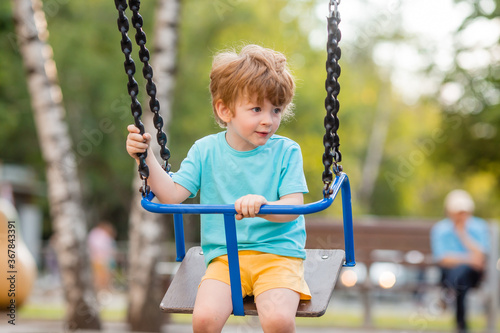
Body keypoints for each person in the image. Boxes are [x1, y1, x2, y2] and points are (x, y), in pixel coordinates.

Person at [126, 44, 310, 333]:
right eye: (257, 108)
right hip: (224, 258)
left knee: (277, 321)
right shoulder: (205, 151)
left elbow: (292, 207)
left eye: (276, 109)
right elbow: (172, 195)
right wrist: (145, 155)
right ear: (225, 109)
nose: (268, 120)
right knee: (204, 321)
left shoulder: (287, 151)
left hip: (278, 255)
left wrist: (262, 206)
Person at [430, 189, 490, 333]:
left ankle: (447, 295)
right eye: (458, 212)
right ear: (450, 212)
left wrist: (462, 234)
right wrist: (468, 259)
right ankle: (462, 326)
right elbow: (442, 259)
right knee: (460, 276)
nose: (461, 216)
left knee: (461, 274)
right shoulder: (441, 229)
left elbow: (481, 256)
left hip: (471, 276)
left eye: (464, 212)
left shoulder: (478, 226)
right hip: (449, 273)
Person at [87, 221, 117, 293]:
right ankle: (101, 290)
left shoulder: (96, 234)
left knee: (103, 276)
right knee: (100, 276)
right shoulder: (99, 234)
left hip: (102, 259)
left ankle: (102, 290)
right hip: (100, 259)